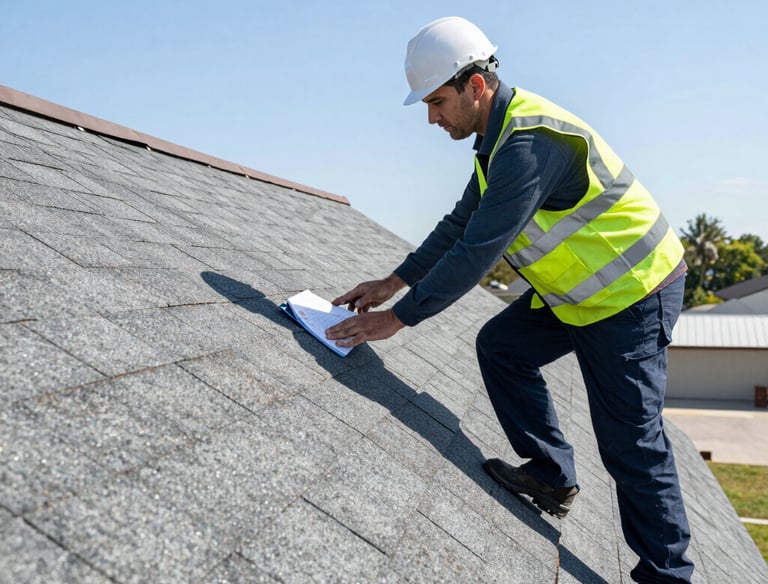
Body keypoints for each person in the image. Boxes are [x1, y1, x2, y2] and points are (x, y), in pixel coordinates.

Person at [325, 16, 694, 583]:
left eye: (438, 102)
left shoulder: (528, 144)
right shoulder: (495, 143)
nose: (431, 117)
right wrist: (392, 281)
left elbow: (476, 251)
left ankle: (668, 576)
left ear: (477, 86)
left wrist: (397, 319)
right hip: (578, 295)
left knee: (630, 443)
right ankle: (551, 475)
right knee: (501, 347)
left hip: (634, 293)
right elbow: (459, 224)